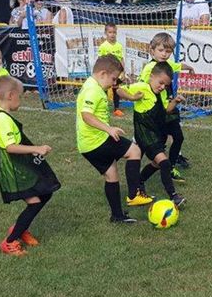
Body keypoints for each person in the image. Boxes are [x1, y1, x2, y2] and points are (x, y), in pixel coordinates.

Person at [76, 55, 153, 222]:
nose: (113, 83)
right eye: (113, 79)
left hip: (86, 145)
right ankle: (134, 194)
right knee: (134, 151)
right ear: (102, 73)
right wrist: (108, 129)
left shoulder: (91, 85)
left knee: (111, 175)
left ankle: (117, 216)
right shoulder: (93, 90)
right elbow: (86, 115)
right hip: (97, 141)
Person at [0, 75, 61, 256]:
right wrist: (36, 148)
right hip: (15, 171)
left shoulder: (3, 116)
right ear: (10, 95)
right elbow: (10, 147)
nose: (20, 100)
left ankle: (21, 228)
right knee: (35, 202)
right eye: (19, 96)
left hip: (20, 167)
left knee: (45, 192)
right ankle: (9, 241)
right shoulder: (2, 119)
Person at [118, 62, 186, 206]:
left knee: (156, 163)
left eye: (165, 85)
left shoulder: (162, 93)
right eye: (160, 83)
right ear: (151, 76)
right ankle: (173, 196)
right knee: (164, 162)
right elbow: (119, 90)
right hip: (144, 133)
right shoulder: (142, 87)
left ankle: (140, 181)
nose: (162, 87)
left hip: (156, 133)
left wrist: (175, 101)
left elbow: (166, 110)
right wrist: (132, 98)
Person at [138, 32, 195, 181]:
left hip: (170, 109)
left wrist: (189, 67)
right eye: (161, 50)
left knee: (178, 137)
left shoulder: (168, 64)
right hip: (157, 113)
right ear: (152, 50)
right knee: (155, 147)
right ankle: (138, 175)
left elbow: (177, 66)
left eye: (168, 51)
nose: (164, 54)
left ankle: (171, 166)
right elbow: (141, 86)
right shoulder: (149, 68)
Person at [98, 23, 125, 116]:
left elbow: (121, 59)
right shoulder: (103, 46)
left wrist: (123, 71)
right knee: (104, 90)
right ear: (106, 33)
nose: (112, 34)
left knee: (116, 90)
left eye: (114, 32)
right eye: (110, 32)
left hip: (116, 73)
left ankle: (116, 109)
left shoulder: (119, 46)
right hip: (107, 73)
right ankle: (103, 108)